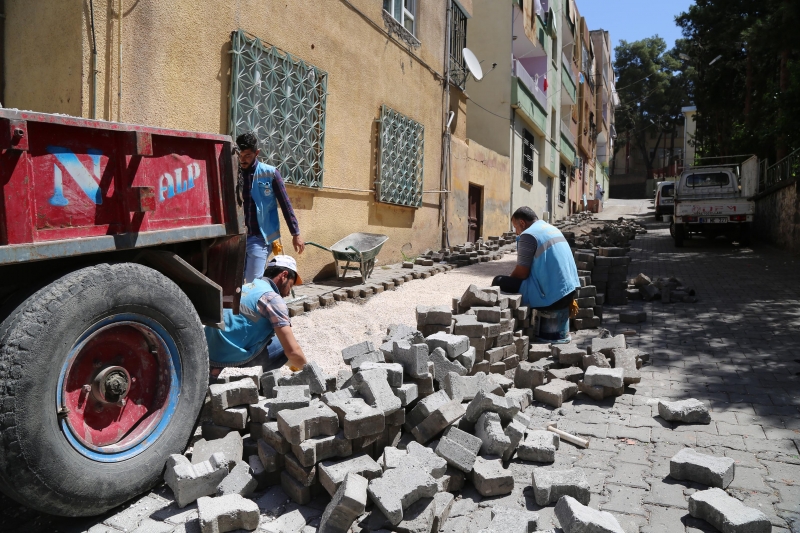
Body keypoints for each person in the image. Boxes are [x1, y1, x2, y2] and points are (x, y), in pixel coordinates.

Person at [205, 255, 308, 373]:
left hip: (208, 354)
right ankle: (251, 380)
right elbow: (292, 351)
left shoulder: (246, 287)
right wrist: (311, 374)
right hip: (228, 362)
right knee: (282, 345)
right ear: (284, 275)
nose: (289, 292)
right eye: (291, 285)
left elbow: (249, 317)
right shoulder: (272, 299)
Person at [492, 206, 580, 342]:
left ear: (522, 223)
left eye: (515, 227)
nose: (516, 232)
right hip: (570, 294)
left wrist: (509, 281)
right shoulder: (551, 229)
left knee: (498, 282)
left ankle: (505, 328)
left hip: (553, 299)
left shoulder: (528, 235)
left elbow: (521, 273)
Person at [237, 131, 305, 283]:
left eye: (247, 155)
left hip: (259, 237)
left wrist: (296, 233)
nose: (243, 160)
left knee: (254, 282)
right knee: (235, 283)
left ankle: (257, 306)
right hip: (237, 237)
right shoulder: (235, 173)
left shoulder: (270, 173)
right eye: (240, 155)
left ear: (257, 152)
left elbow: (286, 204)